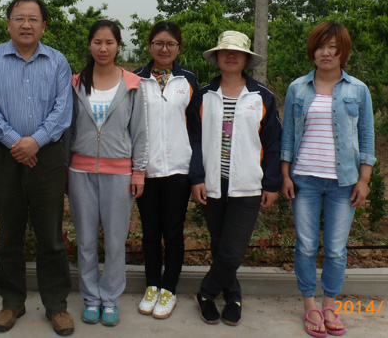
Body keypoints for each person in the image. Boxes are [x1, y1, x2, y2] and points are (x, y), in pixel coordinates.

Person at [0, 0, 75, 336]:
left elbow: (63, 109)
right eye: (19, 18)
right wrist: (16, 142)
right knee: (9, 233)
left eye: (33, 19)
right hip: (6, 155)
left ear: (43, 26)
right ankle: (12, 301)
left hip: (47, 156)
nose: (26, 25)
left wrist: (36, 141)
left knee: (51, 235)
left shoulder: (57, 61)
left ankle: (56, 304)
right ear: (8, 24)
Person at [281, 22, 375, 337]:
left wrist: (364, 180)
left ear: (342, 52)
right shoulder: (297, 88)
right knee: (306, 245)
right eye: (320, 46)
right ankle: (310, 305)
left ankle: (330, 305)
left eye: (333, 47)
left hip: (343, 182)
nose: (326, 53)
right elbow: (288, 135)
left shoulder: (358, 90)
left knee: (335, 248)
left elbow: (367, 137)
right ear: (312, 51)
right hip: (305, 180)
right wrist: (286, 174)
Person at [191, 31, 281, 327]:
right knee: (219, 244)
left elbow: (272, 143)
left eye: (237, 52)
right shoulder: (204, 95)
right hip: (213, 182)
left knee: (232, 251)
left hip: (247, 183)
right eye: (225, 51)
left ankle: (206, 293)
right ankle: (233, 296)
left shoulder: (261, 96)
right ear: (217, 57)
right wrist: (197, 177)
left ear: (246, 59)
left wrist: (271, 183)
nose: (231, 56)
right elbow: (193, 141)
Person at [66, 19, 148, 327]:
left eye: (109, 42)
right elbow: (67, 130)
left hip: (119, 174)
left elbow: (140, 132)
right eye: (97, 42)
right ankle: (91, 297)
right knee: (86, 240)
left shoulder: (132, 84)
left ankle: (110, 298)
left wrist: (138, 172)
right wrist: (64, 169)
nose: (103, 48)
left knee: (115, 241)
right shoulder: (75, 83)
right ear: (90, 45)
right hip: (80, 172)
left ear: (118, 46)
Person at [133, 21, 201, 319]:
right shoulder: (135, 80)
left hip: (178, 170)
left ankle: (169, 288)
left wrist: (196, 171)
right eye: (158, 43)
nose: (164, 49)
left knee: (173, 232)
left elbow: (196, 129)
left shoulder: (188, 80)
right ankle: (152, 285)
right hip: (146, 170)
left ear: (179, 48)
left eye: (170, 44)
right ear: (149, 46)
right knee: (150, 232)